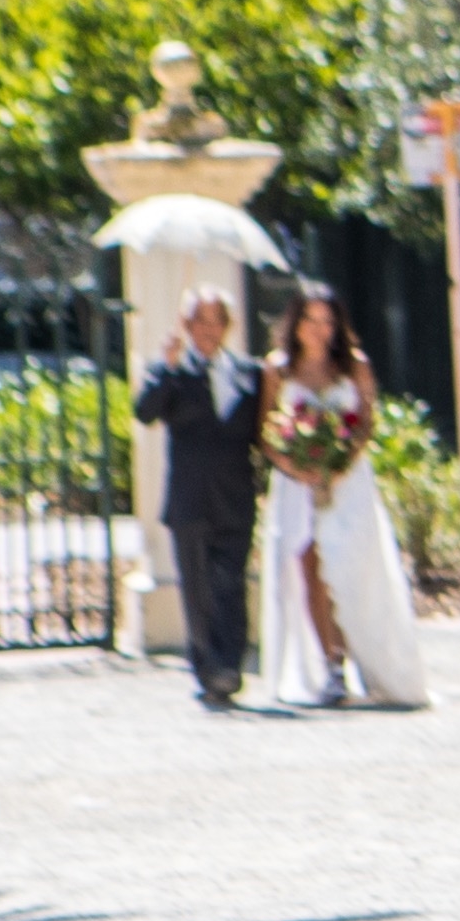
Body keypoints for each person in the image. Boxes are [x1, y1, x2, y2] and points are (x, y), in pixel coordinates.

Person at [256, 284, 430, 709]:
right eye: (310, 320)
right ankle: (330, 665)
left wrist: (338, 464)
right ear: (295, 324)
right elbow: (265, 431)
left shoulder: (354, 366)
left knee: (351, 568)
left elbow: (366, 424)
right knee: (309, 566)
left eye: (327, 321)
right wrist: (297, 466)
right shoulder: (277, 369)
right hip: (297, 486)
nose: (318, 330)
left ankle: (370, 660)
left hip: (347, 483)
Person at [132, 284, 262, 708]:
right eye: (200, 321)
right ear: (187, 326)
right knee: (200, 588)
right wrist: (166, 367)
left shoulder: (249, 373)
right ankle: (209, 669)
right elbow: (145, 412)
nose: (208, 329)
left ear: (227, 326)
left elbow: (263, 430)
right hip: (190, 500)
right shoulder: (170, 372)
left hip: (236, 496)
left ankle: (231, 664)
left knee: (231, 584)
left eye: (216, 321)